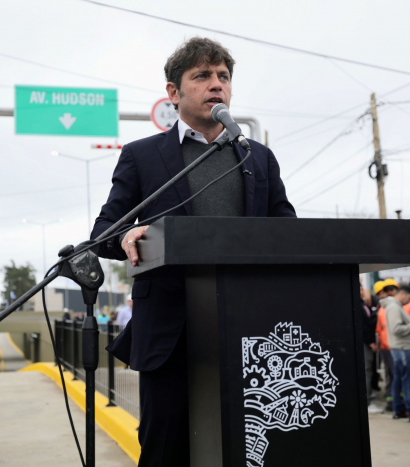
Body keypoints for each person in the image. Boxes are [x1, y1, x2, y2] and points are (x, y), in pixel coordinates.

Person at [92, 37, 295, 466]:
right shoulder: (143, 156)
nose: (215, 85)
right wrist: (130, 235)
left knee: (247, 447)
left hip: (250, 331)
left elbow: (287, 233)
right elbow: (104, 232)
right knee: (168, 448)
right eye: (202, 76)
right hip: (170, 331)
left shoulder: (258, 157)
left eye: (223, 76)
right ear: (173, 92)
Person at [383, 285, 410, 423]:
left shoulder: (393, 306)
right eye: (409, 298)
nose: (409, 301)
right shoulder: (394, 307)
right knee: (407, 380)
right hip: (403, 348)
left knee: (399, 379)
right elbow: (397, 328)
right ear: (402, 293)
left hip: (399, 347)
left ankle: (399, 409)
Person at [375, 279, 398, 411]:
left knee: (396, 375)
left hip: (395, 347)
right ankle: (391, 400)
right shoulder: (382, 308)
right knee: (390, 375)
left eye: (387, 291)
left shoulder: (396, 305)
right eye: (381, 292)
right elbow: (379, 329)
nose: (384, 294)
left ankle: (396, 401)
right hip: (386, 347)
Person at [360, 284, 379, 413]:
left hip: (367, 342)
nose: (362, 291)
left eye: (362, 289)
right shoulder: (358, 306)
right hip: (365, 343)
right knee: (366, 370)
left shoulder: (364, 304)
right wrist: (370, 341)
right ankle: (366, 402)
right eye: (360, 289)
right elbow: (363, 326)